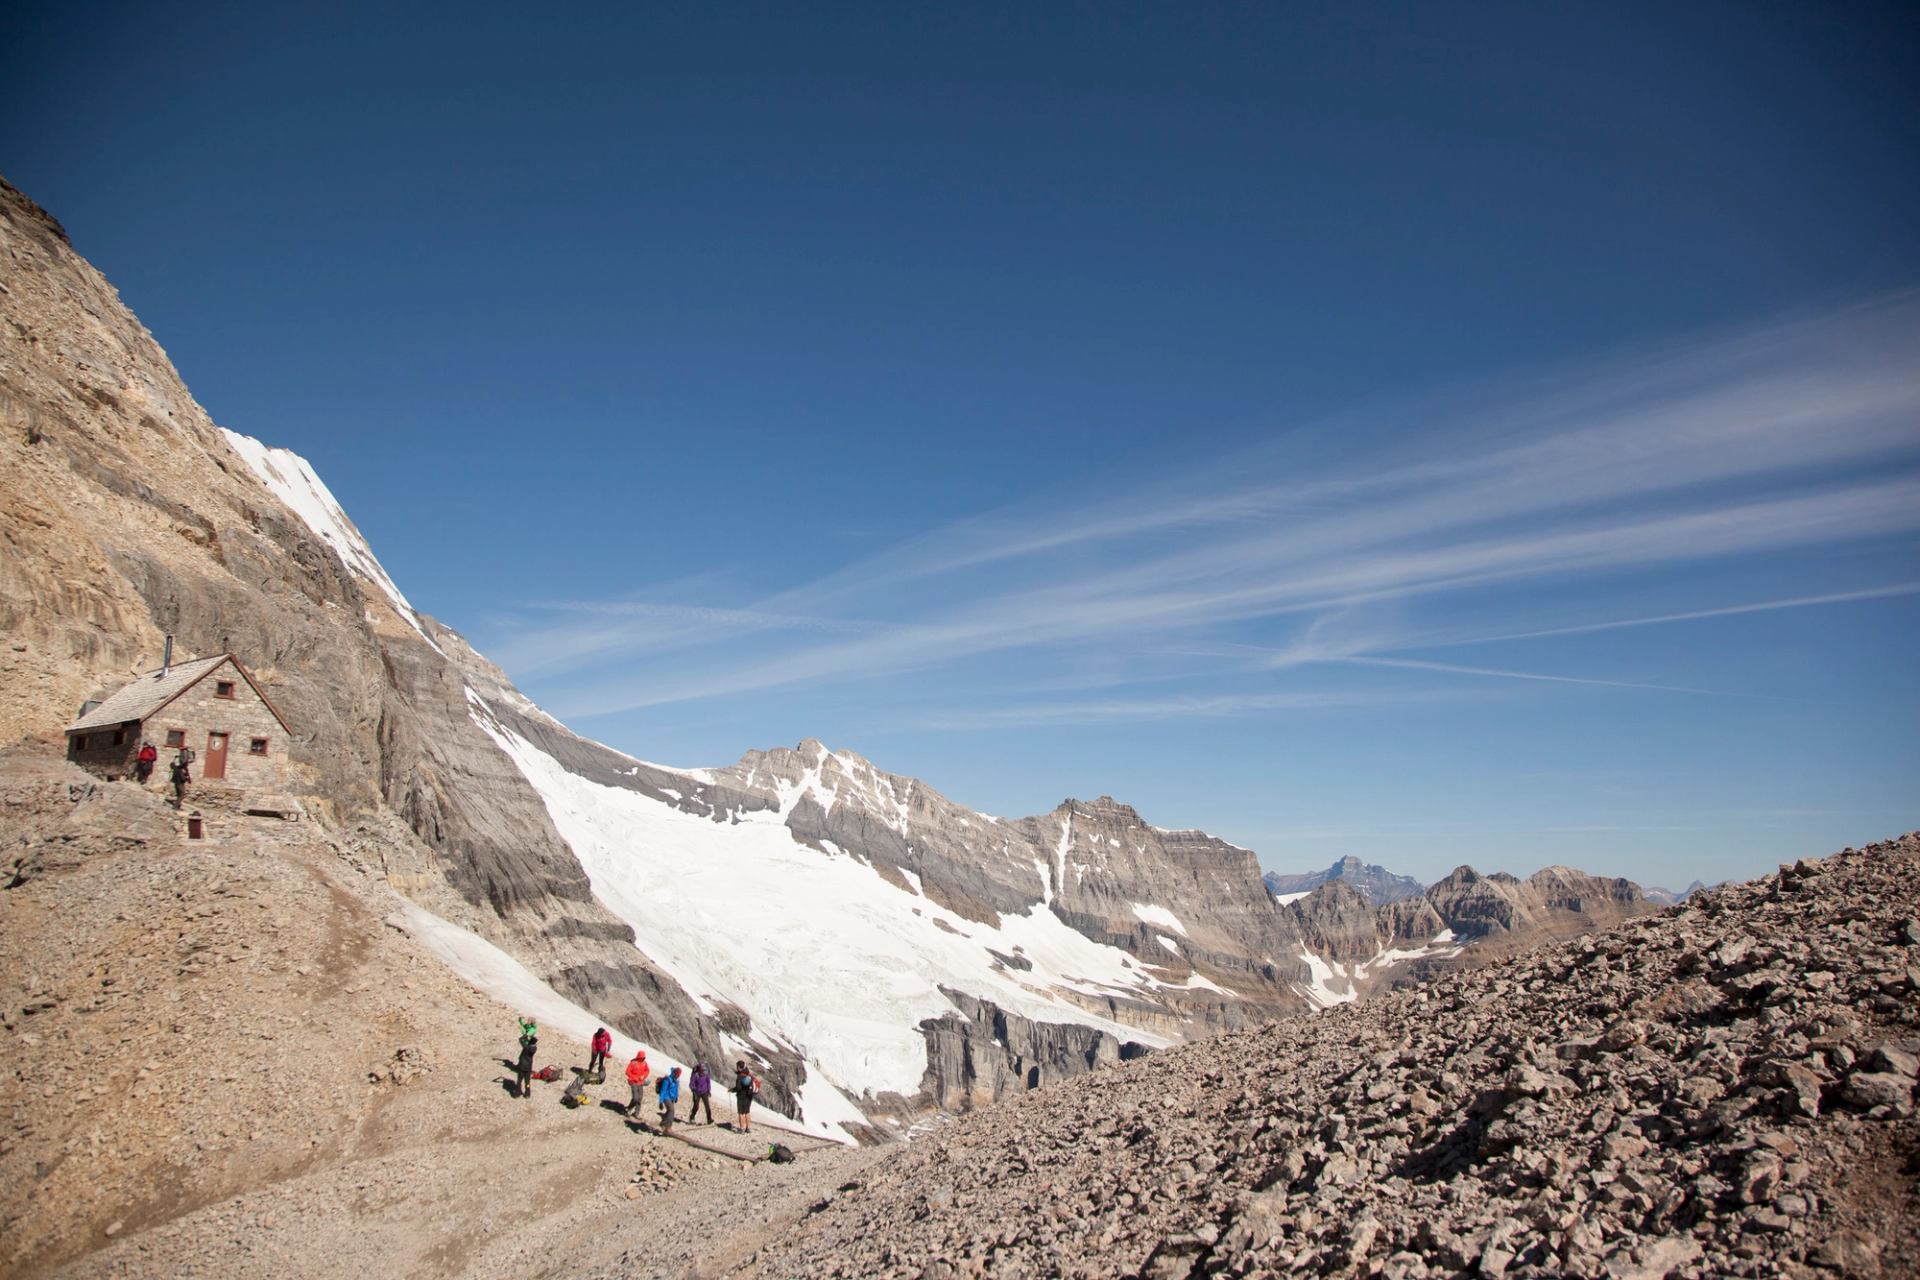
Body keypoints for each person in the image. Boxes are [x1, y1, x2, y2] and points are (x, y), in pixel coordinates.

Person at [732, 1060, 758, 1134]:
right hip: (749, 1096)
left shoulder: (740, 1076)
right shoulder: (748, 1073)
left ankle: (742, 1129)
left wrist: (732, 1090)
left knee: (741, 1113)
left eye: (737, 1067)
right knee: (747, 1112)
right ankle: (748, 1128)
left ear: (739, 1067)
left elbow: (738, 1088)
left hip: (741, 1096)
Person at [624, 1048, 650, 1117]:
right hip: (633, 1082)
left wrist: (643, 1076)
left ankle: (636, 1112)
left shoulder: (644, 1063)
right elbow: (627, 1071)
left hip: (641, 1082)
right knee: (635, 1098)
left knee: (640, 1098)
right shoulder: (633, 1063)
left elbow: (647, 1070)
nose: (642, 1059)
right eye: (641, 1057)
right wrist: (634, 1077)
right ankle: (629, 1109)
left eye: (643, 1057)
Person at [514, 1032, 538, 1100]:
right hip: (528, 1067)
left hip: (522, 1066)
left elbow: (520, 1039)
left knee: (519, 1081)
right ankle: (527, 1093)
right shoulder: (534, 1048)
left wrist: (525, 1035)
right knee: (527, 1082)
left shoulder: (526, 1047)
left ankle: (517, 1093)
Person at [657, 1065, 681, 1131]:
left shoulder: (676, 1080)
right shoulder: (667, 1080)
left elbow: (676, 1089)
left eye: (678, 1075)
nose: (678, 1076)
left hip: (672, 1098)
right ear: (675, 1073)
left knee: (669, 1111)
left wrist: (676, 1097)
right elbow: (663, 1091)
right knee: (672, 1110)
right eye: (677, 1075)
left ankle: (663, 1123)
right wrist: (661, 1102)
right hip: (666, 1097)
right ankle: (668, 1127)